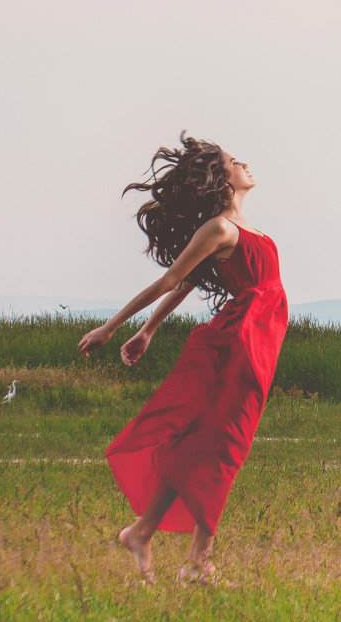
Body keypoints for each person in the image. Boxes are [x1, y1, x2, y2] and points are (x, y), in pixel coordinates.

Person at [78, 133, 289, 585]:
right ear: (221, 177)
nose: (244, 163)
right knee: (226, 446)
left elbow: (191, 285)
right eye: (235, 161)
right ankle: (198, 562)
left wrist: (150, 330)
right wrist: (115, 327)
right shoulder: (218, 229)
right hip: (240, 345)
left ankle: (143, 531)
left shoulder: (247, 230)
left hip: (260, 340)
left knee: (209, 443)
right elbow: (174, 279)